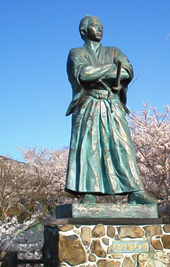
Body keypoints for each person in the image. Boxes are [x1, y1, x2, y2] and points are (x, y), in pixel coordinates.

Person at [65, 15, 157, 204]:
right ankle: (88, 191)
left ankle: (135, 192)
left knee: (123, 145)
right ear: (84, 31)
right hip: (89, 103)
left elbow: (127, 71)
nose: (100, 29)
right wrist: (112, 70)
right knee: (89, 147)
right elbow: (83, 74)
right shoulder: (76, 53)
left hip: (112, 104)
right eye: (95, 26)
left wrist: (100, 71)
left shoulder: (114, 51)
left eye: (101, 26)